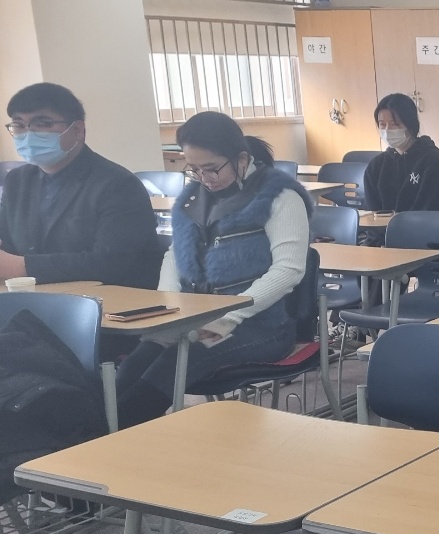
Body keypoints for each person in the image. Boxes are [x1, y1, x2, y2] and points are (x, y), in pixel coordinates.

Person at [114, 112, 311, 428]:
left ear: (241, 159)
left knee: (174, 363)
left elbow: (288, 270)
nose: (204, 178)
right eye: (194, 169)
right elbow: (175, 253)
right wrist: (170, 308)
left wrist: (228, 317)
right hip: (197, 318)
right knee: (136, 363)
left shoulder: (280, 196)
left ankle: (103, 438)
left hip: (260, 325)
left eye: (212, 168)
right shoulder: (193, 198)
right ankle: (97, 435)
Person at [0, 82, 163, 289]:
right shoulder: (17, 181)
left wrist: (21, 267)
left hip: (109, 300)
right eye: (19, 125)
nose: (28, 134)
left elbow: (111, 263)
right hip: (33, 295)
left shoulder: (118, 185)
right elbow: (6, 242)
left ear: (77, 130)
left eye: (42, 123)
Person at [362, 93, 439, 212]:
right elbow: (372, 211)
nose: (387, 130)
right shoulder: (376, 165)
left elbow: (430, 207)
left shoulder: (432, 161)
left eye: (394, 124)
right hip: (383, 224)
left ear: (410, 124)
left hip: (421, 223)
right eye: (382, 125)